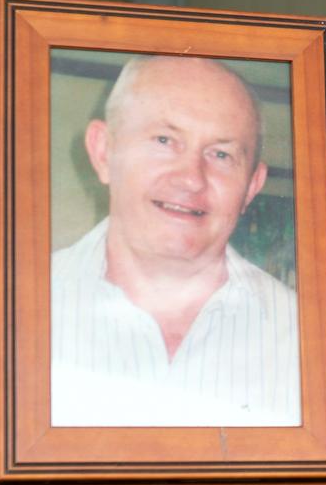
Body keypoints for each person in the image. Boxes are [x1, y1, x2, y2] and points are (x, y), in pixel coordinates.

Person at [51, 54, 299, 427]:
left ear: (252, 185)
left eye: (220, 154)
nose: (191, 179)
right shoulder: (29, 303)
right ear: (103, 152)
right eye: (164, 140)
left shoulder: (298, 334)